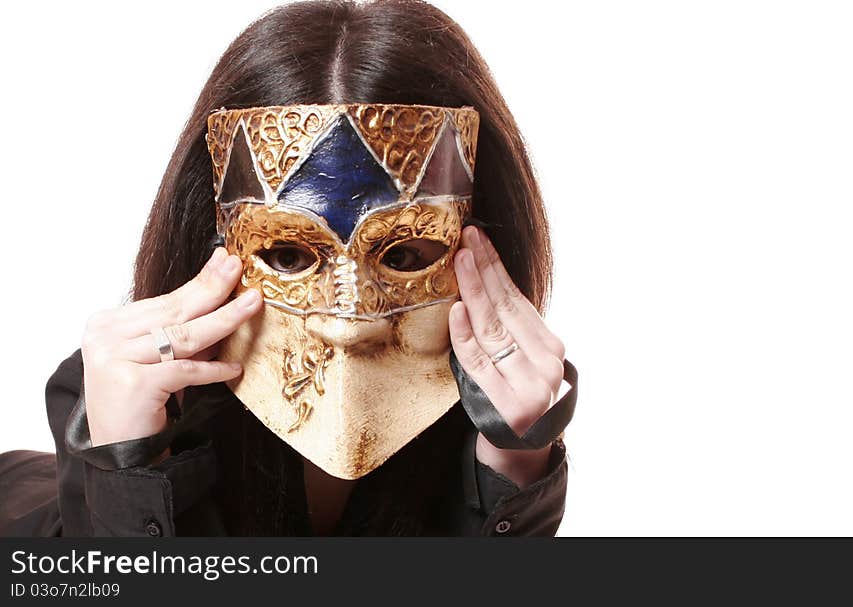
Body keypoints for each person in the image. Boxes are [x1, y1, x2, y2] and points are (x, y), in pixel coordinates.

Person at [0, 0, 576, 537]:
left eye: (400, 255)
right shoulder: (110, 395)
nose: (346, 322)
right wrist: (127, 467)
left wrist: (513, 466)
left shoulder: (494, 421)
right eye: (288, 255)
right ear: (212, 237)